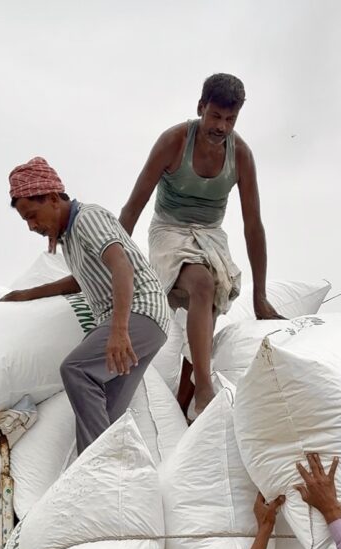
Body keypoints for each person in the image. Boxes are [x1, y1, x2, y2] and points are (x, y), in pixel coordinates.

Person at [119, 73, 281, 416]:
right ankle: (206, 391)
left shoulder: (242, 156)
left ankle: (183, 405)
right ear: (200, 108)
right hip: (169, 231)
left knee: (207, 305)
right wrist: (112, 263)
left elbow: (253, 225)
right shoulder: (175, 141)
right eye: (215, 116)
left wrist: (260, 296)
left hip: (210, 236)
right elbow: (134, 206)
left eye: (230, 120)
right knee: (203, 283)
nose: (221, 127)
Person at [1, 156, 169, 453]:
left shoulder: (86, 219)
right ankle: (107, 481)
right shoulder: (69, 239)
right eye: (25, 220)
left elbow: (122, 267)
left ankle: (95, 470)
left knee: (76, 370)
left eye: (32, 215)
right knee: (106, 410)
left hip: (141, 312)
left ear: (53, 198)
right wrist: (26, 294)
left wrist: (119, 330)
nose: (31, 226)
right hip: (145, 323)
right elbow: (79, 281)